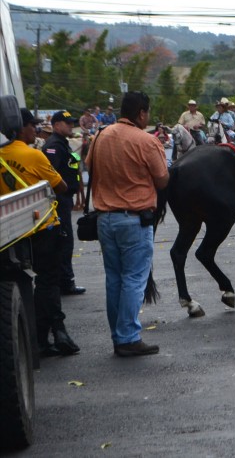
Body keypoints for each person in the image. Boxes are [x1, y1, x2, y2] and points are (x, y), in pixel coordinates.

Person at [85, 92, 168, 357]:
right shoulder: (147, 141)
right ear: (141, 113)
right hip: (134, 219)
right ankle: (128, 338)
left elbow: (90, 167)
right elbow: (163, 180)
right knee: (134, 279)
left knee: (114, 278)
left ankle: (118, 336)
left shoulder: (99, 136)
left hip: (104, 219)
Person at [0, 109, 79, 358]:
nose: (35, 129)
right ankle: (51, 333)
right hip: (43, 227)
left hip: (10, 230)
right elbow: (61, 185)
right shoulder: (34, 155)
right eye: (31, 125)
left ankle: (43, 336)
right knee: (48, 282)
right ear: (18, 128)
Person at [43, 109, 86, 296]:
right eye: (67, 123)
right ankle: (65, 282)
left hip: (66, 198)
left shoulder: (63, 144)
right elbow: (51, 174)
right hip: (59, 199)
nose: (70, 126)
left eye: (71, 123)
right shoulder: (53, 145)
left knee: (66, 239)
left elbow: (72, 162)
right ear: (57, 125)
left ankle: (64, 279)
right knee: (64, 240)